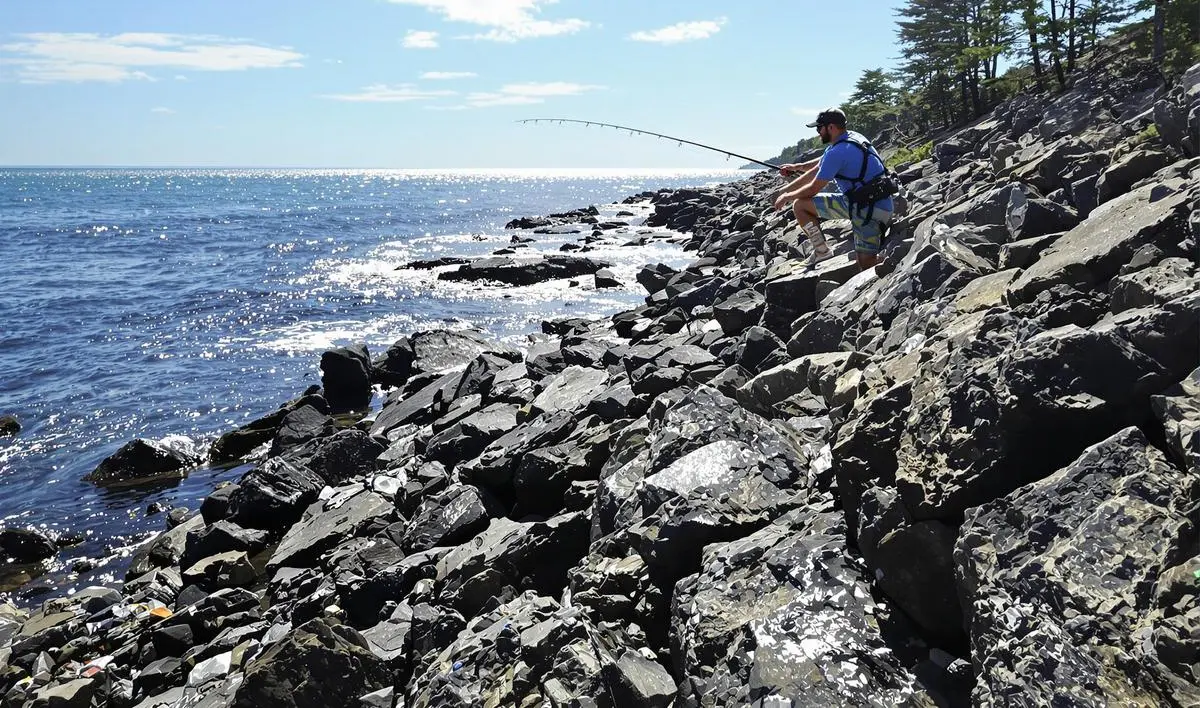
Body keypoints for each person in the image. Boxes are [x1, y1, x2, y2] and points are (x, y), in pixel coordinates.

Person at [772, 108, 895, 271]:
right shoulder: (852, 138)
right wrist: (797, 167)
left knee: (866, 264)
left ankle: (896, 264)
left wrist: (787, 196)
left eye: (819, 128)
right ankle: (822, 251)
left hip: (868, 210)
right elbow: (821, 164)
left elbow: (813, 188)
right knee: (800, 204)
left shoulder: (838, 152)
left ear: (831, 127)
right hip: (876, 201)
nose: (818, 133)